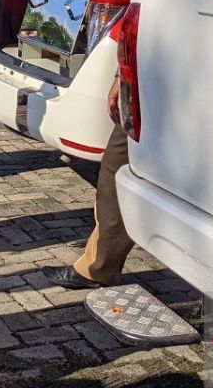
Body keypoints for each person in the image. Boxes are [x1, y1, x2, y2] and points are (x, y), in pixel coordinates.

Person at [42, 75, 136, 290]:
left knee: (116, 176)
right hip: (147, 85)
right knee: (116, 176)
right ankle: (98, 266)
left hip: (157, 87)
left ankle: (98, 268)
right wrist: (120, 75)